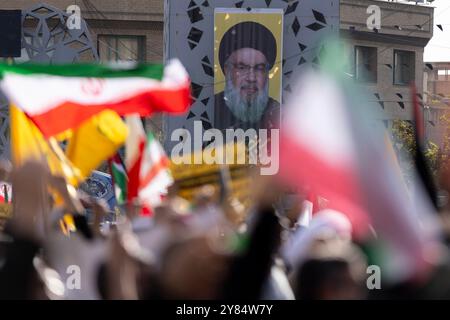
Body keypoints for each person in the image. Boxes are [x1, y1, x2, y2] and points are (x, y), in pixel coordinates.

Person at [215, 21, 280, 132]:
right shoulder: (210, 108)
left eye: (259, 68)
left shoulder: (277, 112)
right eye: (242, 68)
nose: (251, 78)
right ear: (227, 70)